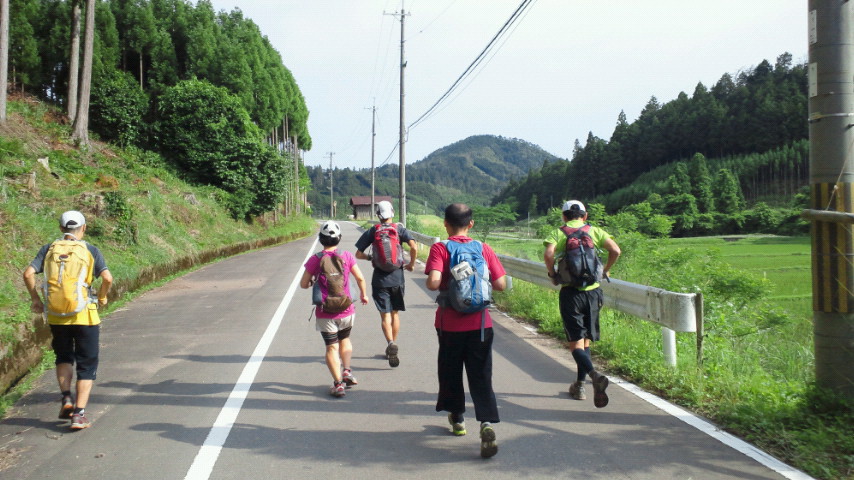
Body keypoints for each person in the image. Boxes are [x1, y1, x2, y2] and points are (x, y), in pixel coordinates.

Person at [425, 203, 507, 459]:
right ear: (471, 224)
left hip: (450, 324)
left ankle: (458, 419)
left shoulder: (441, 248)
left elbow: (433, 282)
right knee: (481, 374)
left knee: (451, 372)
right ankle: (486, 423)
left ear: (445, 223)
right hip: (481, 325)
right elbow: (501, 284)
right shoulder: (483, 248)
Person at [22, 210, 113, 430]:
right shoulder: (90, 249)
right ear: (84, 228)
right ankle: (79, 415)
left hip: (56, 315)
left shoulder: (49, 249)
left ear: (61, 228)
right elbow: (107, 278)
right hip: (85, 316)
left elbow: (27, 274)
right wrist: (102, 296)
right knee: (87, 364)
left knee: (63, 357)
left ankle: (66, 398)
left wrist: (36, 300)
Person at [543, 200, 620, 408]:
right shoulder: (594, 231)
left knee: (575, 343)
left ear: (564, 216)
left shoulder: (559, 233)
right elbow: (616, 250)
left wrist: (552, 274)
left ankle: (593, 376)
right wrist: (605, 270)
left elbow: (549, 254)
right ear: (585, 216)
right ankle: (579, 385)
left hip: (571, 294)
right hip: (593, 293)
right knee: (585, 341)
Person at [301, 221, 369, 397]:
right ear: (339, 238)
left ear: (321, 239)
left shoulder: (315, 259)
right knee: (345, 339)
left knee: (332, 347)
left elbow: (303, 284)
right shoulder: (346, 256)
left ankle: (338, 384)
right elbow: (360, 278)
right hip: (346, 309)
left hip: (326, 312)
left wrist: (311, 282)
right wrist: (363, 295)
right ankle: (346, 371)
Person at [354, 200, 417, 367]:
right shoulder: (399, 229)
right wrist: (410, 264)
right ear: (392, 213)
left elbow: (358, 254)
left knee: (385, 315)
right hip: (398, 278)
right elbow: (414, 247)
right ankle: (393, 343)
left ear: (378, 215)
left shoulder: (372, 231)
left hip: (380, 280)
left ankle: (390, 343)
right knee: (395, 313)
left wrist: (371, 257)